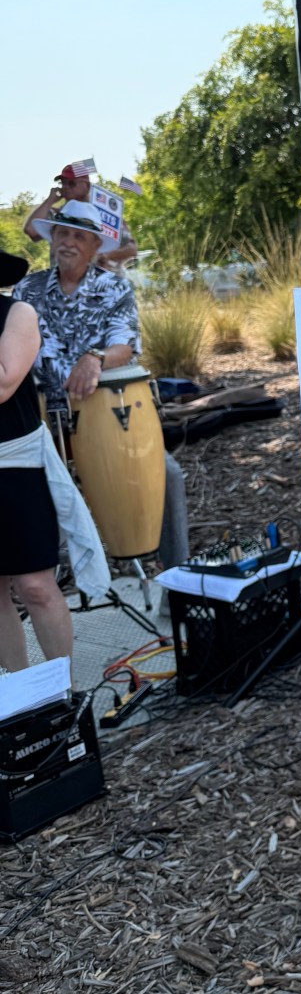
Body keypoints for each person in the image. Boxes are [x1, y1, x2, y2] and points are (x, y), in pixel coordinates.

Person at [13, 199, 189, 570]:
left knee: (169, 476)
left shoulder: (114, 288)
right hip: (42, 416)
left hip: (103, 412)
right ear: (52, 238)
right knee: (28, 490)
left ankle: (178, 578)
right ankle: (50, 580)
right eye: (62, 233)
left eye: (80, 236)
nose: (68, 242)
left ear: (95, 247)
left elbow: (125, 345)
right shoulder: (27, 290)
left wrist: (95, 358)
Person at [0, 250, 111, 678]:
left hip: (17, 465)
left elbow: (5, 382)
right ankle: (22, 693)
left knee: (35, 586)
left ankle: (61, 690)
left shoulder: (17, 313)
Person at [23, 161, 138, 273]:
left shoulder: (106, 215)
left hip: (104, 285)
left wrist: (107, 255)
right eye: (63, 183)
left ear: (87, 186)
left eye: (72, 183)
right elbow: (31, 231)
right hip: (64, 286)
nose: (66, 187)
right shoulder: (58, 215)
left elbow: (132, 249)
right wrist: (49, 200)